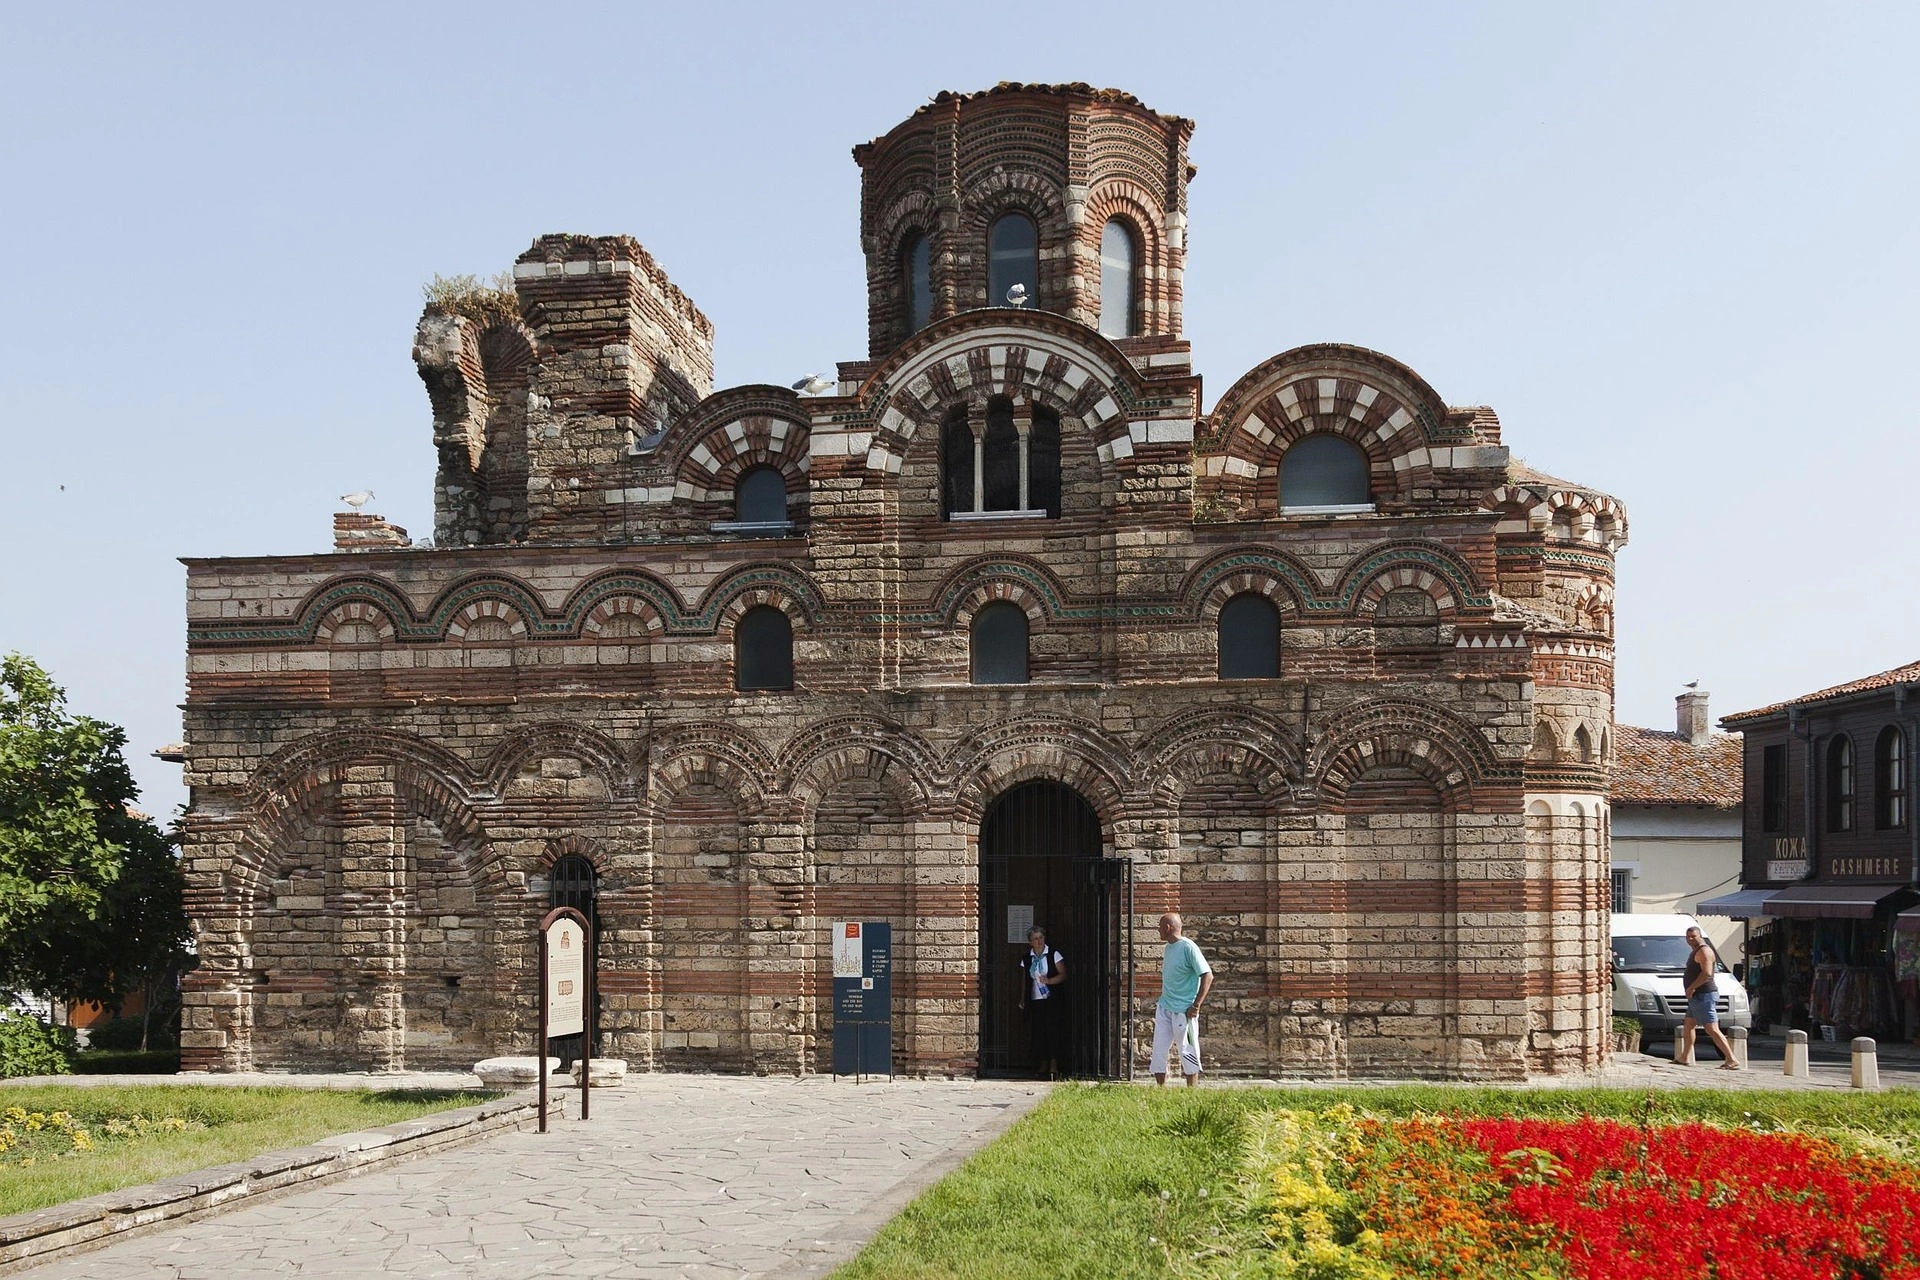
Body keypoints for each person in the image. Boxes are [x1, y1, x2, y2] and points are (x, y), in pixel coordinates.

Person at [1151, 913, 1212, 1086]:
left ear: (1167, 928)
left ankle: (1191, 1091)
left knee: (1188, 1050)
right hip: (1165, 1007)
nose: (1158, 930)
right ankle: (1160, 1089)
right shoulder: (1168, 948)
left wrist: (1196, 1005)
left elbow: (1207, 975)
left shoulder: (1188, 947)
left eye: (1160, 927)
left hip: (1184, 1010)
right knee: (1159, 1051)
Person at [1679, 924, 1740, 1070]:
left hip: (1703, 995)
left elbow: (1706, 973)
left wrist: (1692, 987)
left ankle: (1732, 1059)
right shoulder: (1696, 951)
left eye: (1693, 936)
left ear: (1700, 936)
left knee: (1711, 1028)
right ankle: (1684, 1057)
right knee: (1688, 1024)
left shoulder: (1704, 951)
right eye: (1688, 936)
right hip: (1697, 996)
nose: (1690, 939)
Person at [1018, 925, 1067, 1079]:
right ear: (1030, 942)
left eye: (1041, 938)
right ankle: (1042, 1063)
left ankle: (1054, 1064)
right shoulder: (1027, 958)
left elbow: (1063, 974)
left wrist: (1050, 981)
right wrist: (1022, 998)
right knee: (1039, 1032)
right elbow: (1024, 981)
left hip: (1052, 1000)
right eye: (1035, 939)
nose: (1039, 942)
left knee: (1053, 1031)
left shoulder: (1054, 954)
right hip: (1035, 1000)